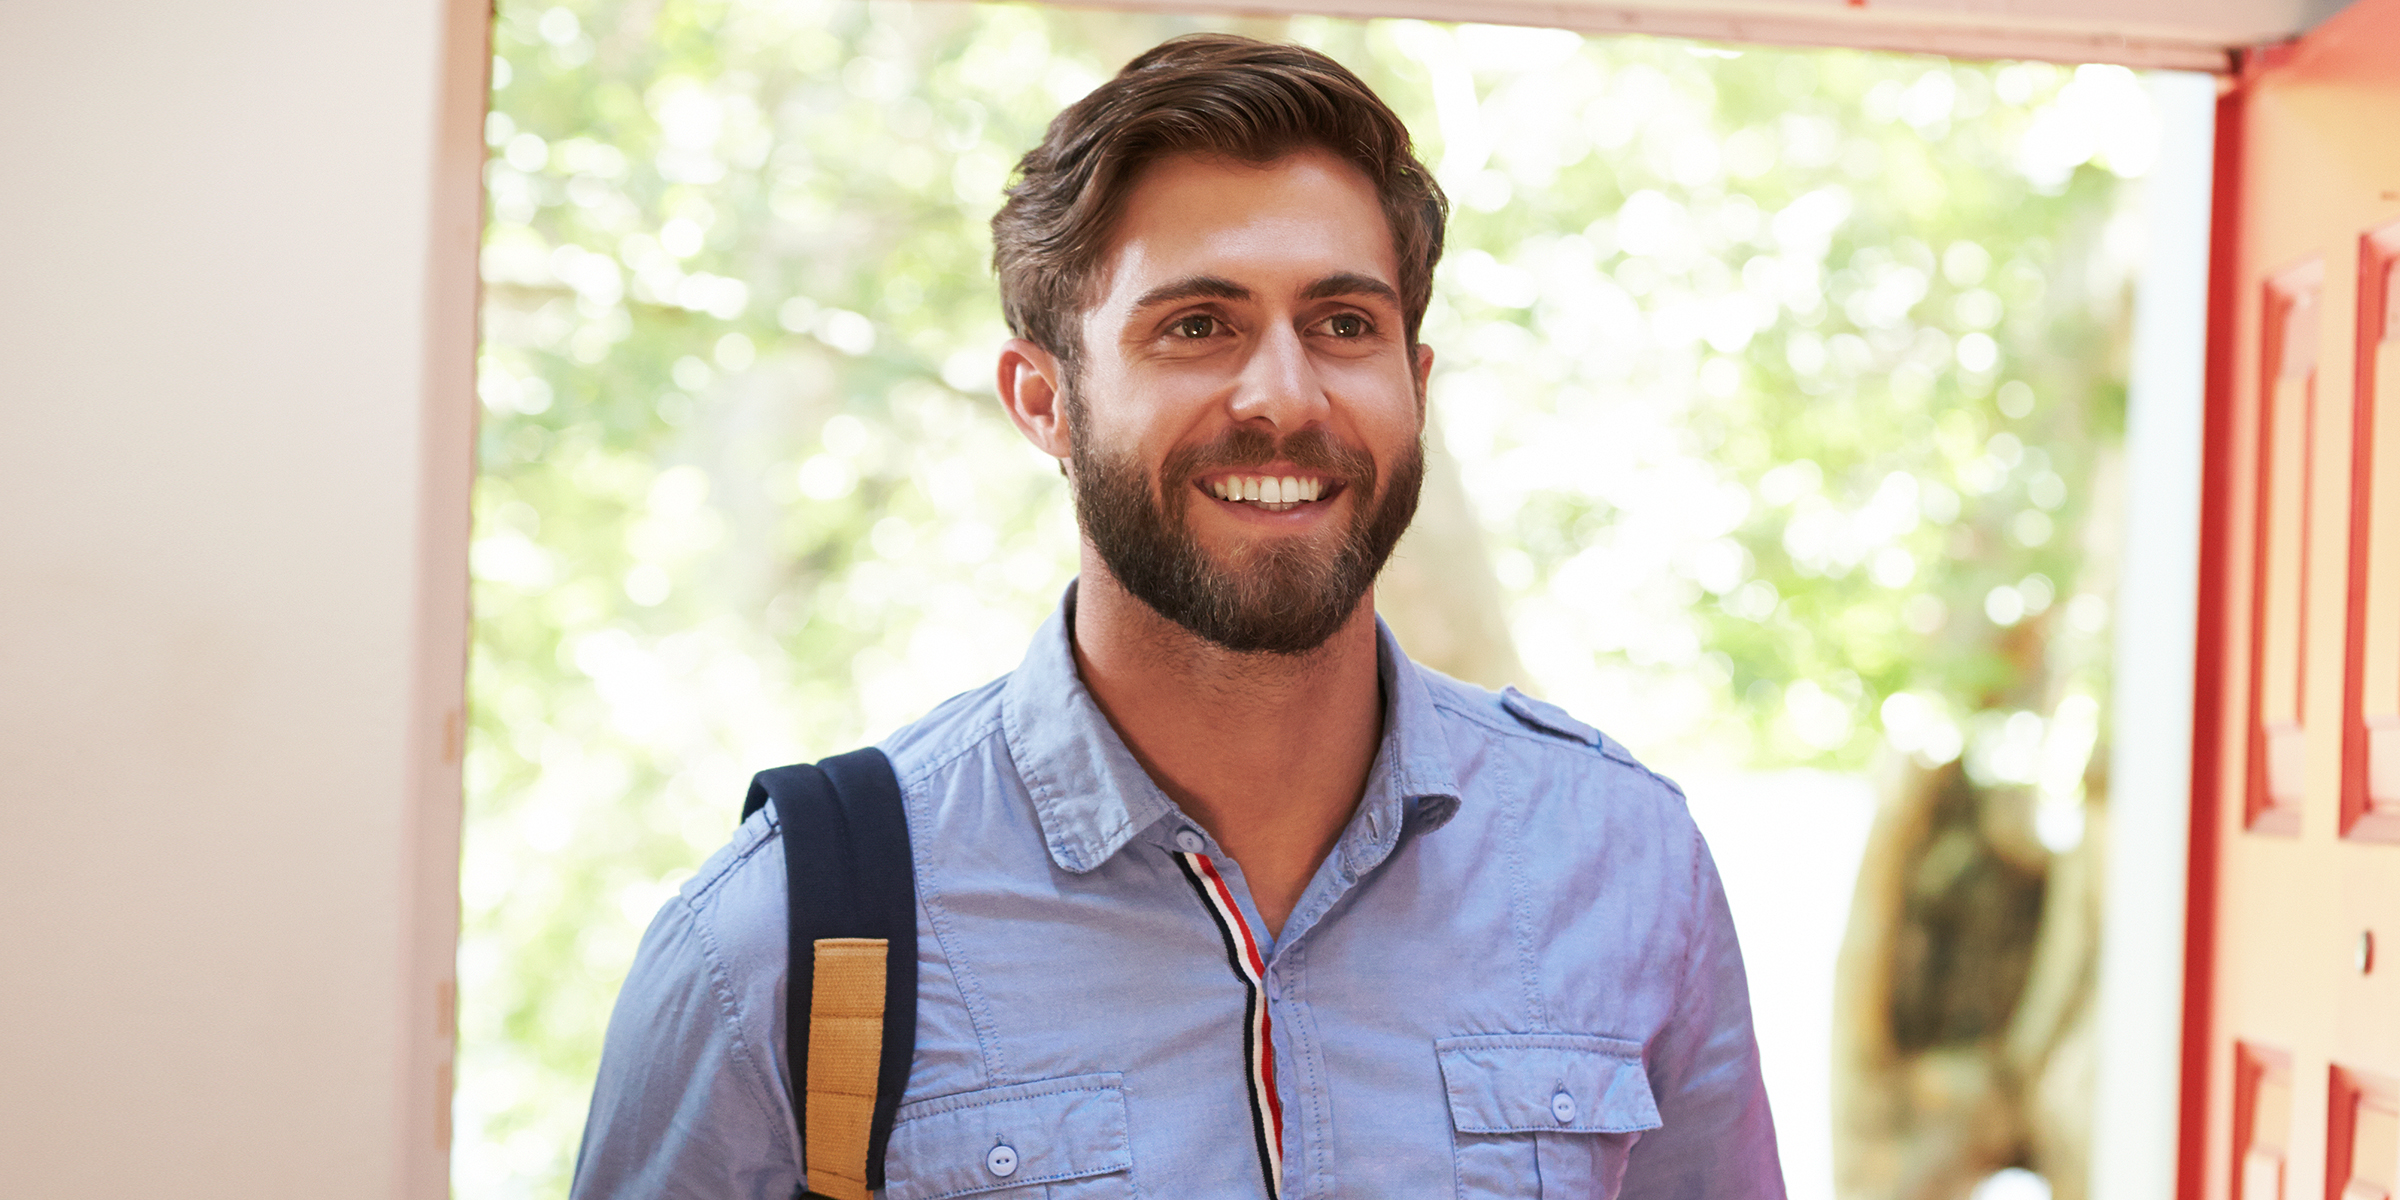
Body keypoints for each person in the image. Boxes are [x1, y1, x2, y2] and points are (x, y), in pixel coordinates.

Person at [572, 33, 1782, 1199]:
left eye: (1343, 324)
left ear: (1414, 384)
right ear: (1044, 399)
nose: (1281, 396)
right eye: (1197, 326)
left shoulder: (1625, 864)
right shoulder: (779, 945)